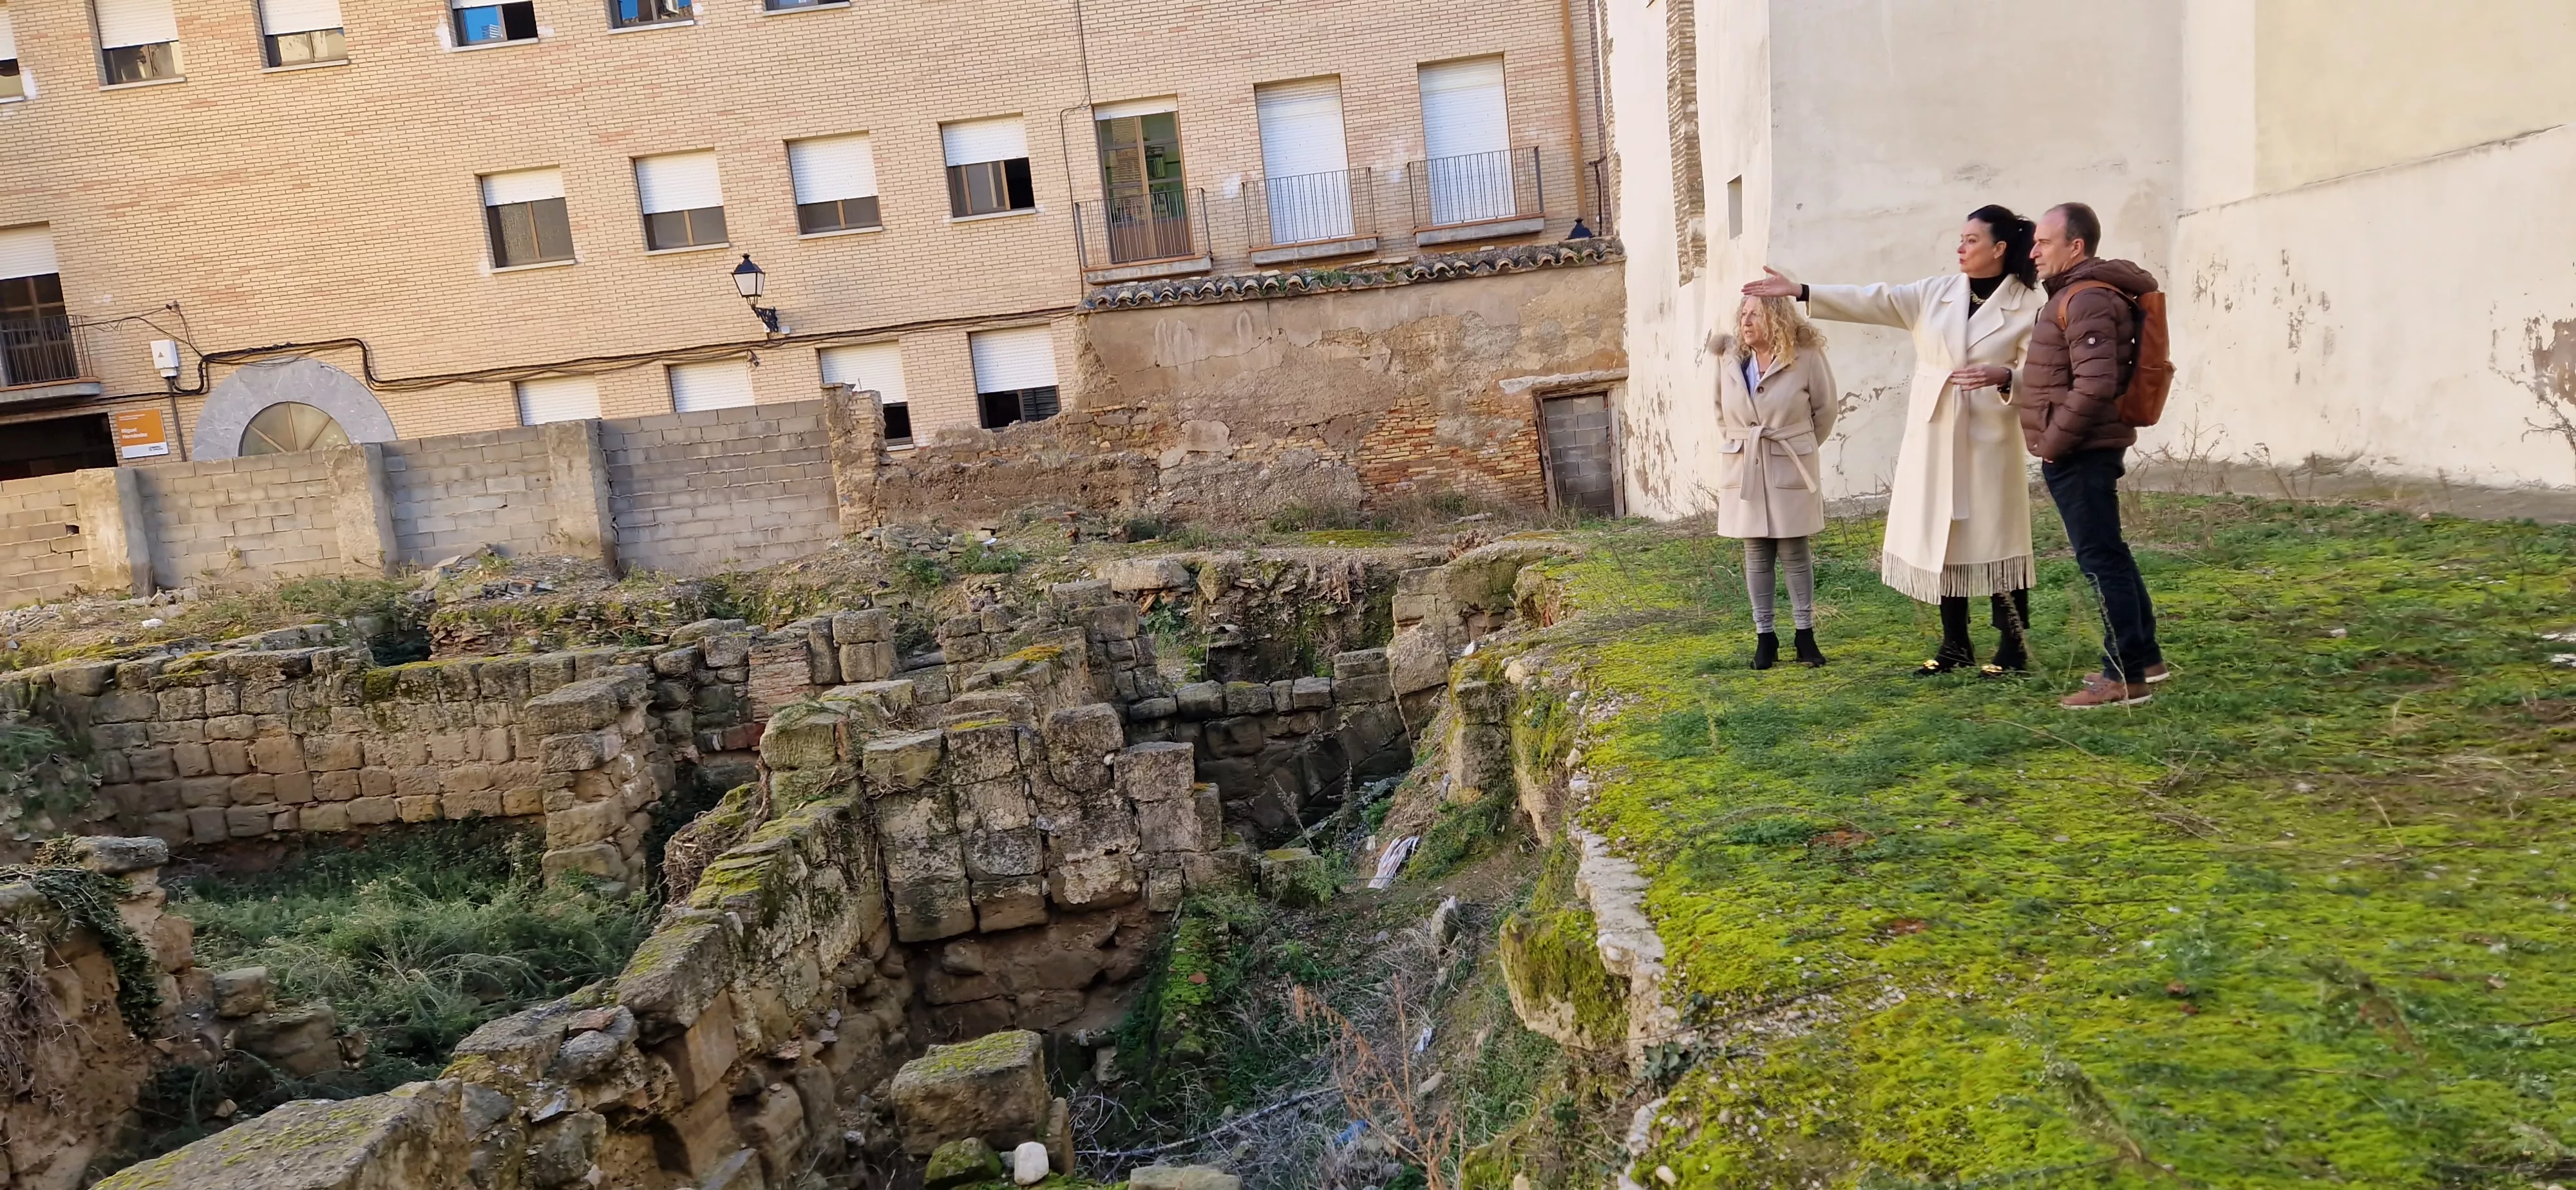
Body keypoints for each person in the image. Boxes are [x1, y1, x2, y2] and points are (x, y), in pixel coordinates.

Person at [1744, 205, 2042, 674]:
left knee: (1997, 537)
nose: (1960, 248)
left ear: (1999, 249)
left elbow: (2042, 374)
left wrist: (2006, 376)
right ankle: (1955, 645)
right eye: (1960, 239)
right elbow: (1873, 299)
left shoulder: (2028, 305)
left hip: (1989, 438)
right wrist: (1801, 291)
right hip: (1936, 435)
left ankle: (2013, 644)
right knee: (1943, 539)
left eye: (1971, 241)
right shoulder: (1936, 293)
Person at [2022, 202, 2167, 708]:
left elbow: (2095, 384)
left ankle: (2125, 677)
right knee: (2111, 554)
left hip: (2082, 450)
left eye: (2044, 241)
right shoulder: (2079, 294)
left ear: (2075, 246)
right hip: (2084, 446)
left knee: (2100, 559)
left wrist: (2055, 443)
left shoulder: (2084, 298)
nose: (2034, 250)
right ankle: (2144, 658)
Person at [1711, 293, 1838, 669]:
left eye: (1756, 314)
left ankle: (1805, 636)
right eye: (1744, 314)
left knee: (1794, 550)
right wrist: (1739, 445)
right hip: (1745, 465)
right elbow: (1720, 411)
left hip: (1789, 462)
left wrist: (1798, 448)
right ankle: (1765, 639)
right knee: (1756, 553)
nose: (1746, 321)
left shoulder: (1806, 355)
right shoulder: (1730, 359)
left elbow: (1825, 410)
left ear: (1777, 318)